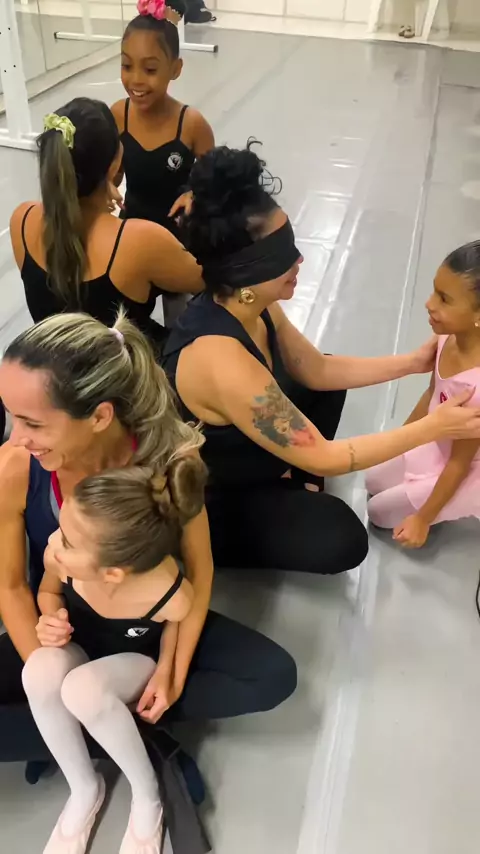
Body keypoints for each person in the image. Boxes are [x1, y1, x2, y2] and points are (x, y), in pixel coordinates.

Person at [162, 144, 480, 575]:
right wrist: (433, 427)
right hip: (217, 491)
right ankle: (253, 510)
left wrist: (412, 362)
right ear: (246, 269)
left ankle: (287, 477)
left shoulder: (249, 303)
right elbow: (327, 457)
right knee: (342, 537)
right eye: (283, 254)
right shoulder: (221, 361)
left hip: (250, 444)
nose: (299, 259)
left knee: (327, 381)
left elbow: (318, 369)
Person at [0, 311, 297, 769]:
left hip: (150, 626)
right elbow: (13, 586)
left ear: (100, 416)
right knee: (55, 692)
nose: (17, 439)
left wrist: (170, 673)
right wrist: (46, 672)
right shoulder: (16, 467)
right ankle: (114, 727)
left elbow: (199, 568)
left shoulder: (170, 459)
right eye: (11, 418)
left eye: (32, 424)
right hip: (65, 626)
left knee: (273, 676)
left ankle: (107, 724)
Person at [22, 457, 204, 853]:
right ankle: (84, 787)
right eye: (60, 530)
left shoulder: (167, 593)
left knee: (83, 690)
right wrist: (50, 618)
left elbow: (177, 625)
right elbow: (48, 592)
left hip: (133, 661)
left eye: (67, 541)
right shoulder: (59, 557)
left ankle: (147, 794)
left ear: (112, 573)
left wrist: (167, 672)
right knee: (38, 669)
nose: (53, 543)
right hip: (85, 646)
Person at [10, 97, 203, 357]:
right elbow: (211, 281)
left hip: (56, 369)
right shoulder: (138, 241)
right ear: (114, 165)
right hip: (125, 374)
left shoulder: (22, 219)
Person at [367, 241, 480, 547]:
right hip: (439, 439)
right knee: (373, 479)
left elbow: (459, 465)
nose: (429, 304)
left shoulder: (476, 389)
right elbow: (432, 394)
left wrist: (423, 519)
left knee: (378, 514)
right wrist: (400, 440)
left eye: (444, 299)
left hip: (463, 465)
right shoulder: (446, 337)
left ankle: (454, 504)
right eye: (434, 291)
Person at [112, 0, 214, 236]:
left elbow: (215, 185)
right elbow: (112, 176)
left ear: (175, 69)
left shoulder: (192, 124)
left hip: (177, 239)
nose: (136, 79)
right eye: (127, 65)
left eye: (150, 69)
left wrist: (194, 195)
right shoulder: (118, 115)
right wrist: (100, 185)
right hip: (131, 234)